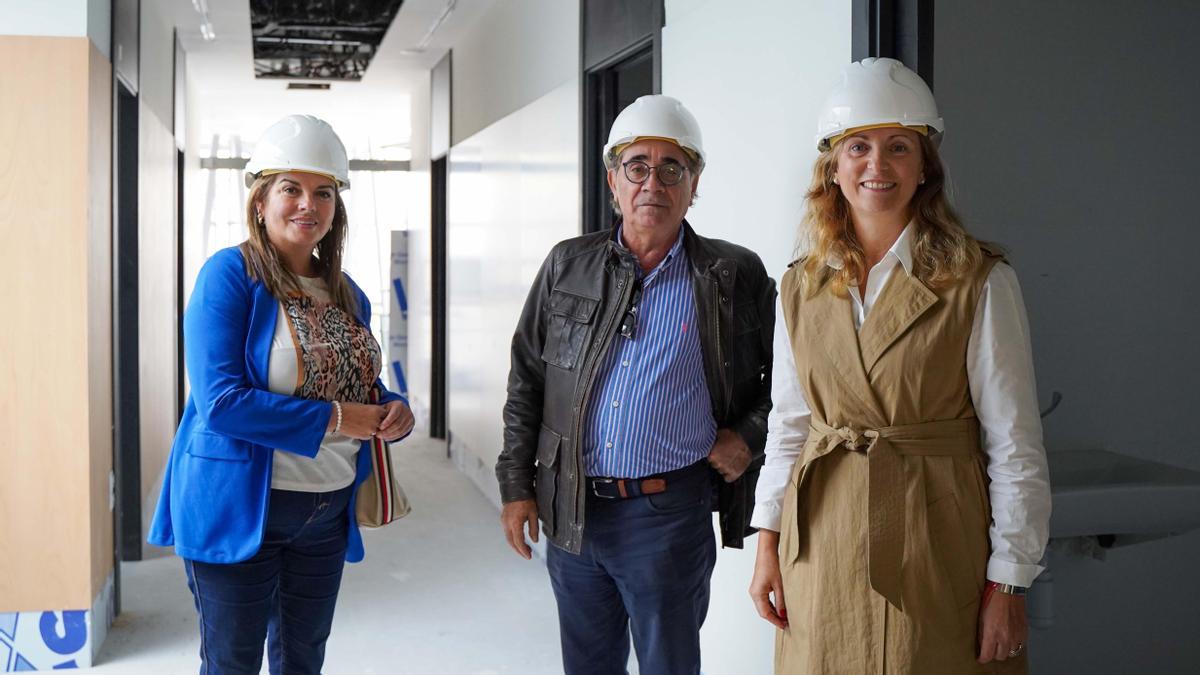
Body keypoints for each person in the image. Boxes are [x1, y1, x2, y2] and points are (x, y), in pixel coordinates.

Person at [748, 58, 1051, 674]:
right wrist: (767, 543)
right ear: (833, 165)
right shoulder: (799, 288)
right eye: (858, 146)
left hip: (937, 538)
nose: (876, 166)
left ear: (923, 167)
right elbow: (789, 428)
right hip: (822, 545)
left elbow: (1014, 444)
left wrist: (1011, 582)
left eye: (898, 147)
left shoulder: (978, 281)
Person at [495, 95, 775, 674]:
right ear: (613, 181)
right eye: (638, 166)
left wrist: (748, 435)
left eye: (673, 167)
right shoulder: (566, 264)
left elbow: (793, 383)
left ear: (694, 184)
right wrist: (515, 485)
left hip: (668, 515)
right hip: (573, 509)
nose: (654, 181)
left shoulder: (732, 274)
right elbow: (528, 378)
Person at [147, 114, 414, 674]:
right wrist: (341, 419)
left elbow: (358, 380)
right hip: (243, 504)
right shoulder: (229, 275)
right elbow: (221, 403)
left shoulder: (348, 292)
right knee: (232, 663)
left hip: (327, 506)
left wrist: (392, 408)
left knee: (302, 661)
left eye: (323, 192)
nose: (307, 205)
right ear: (261, 199)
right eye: (290, 188)